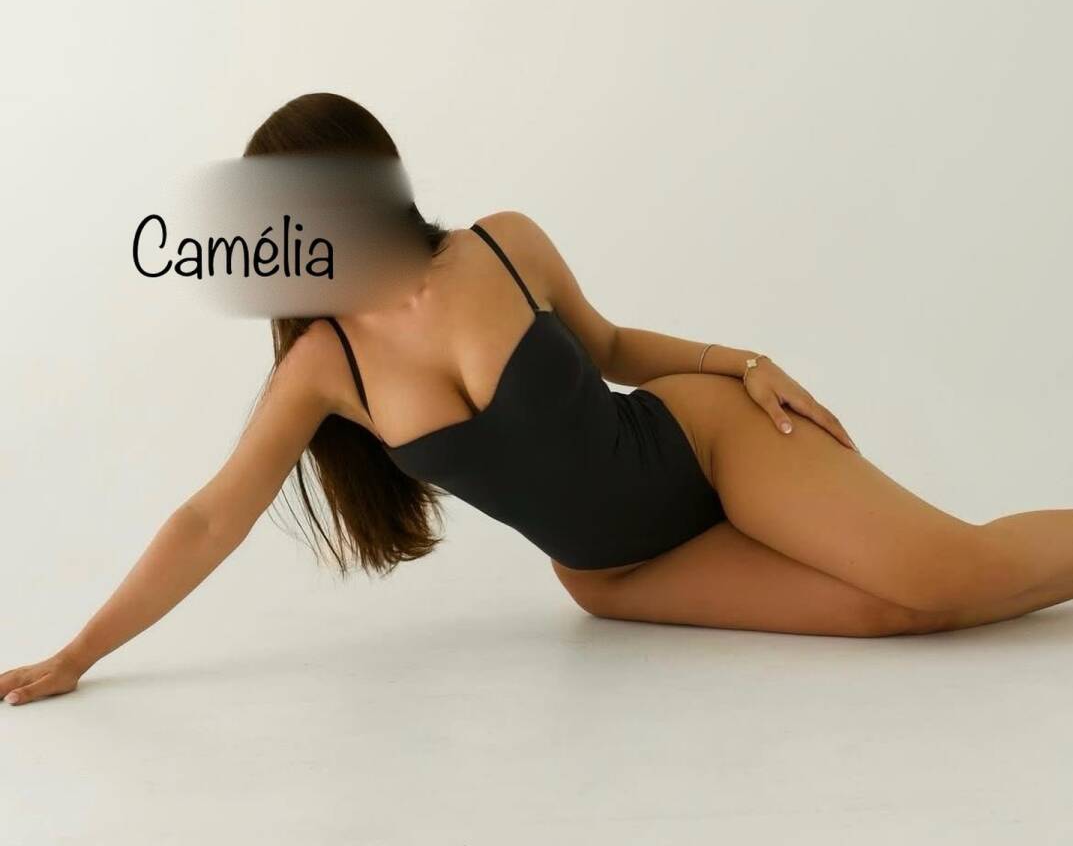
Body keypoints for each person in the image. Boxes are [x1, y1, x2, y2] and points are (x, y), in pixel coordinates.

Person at [4, 93, 1072, 707]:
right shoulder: (324, 368)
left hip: (707, 445)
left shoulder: (501, 245)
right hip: (617, 575)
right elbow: (208, 518)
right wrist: (77, 655)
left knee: (943, 573)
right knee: (894, 615)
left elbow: (610, 348)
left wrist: (739, 359)